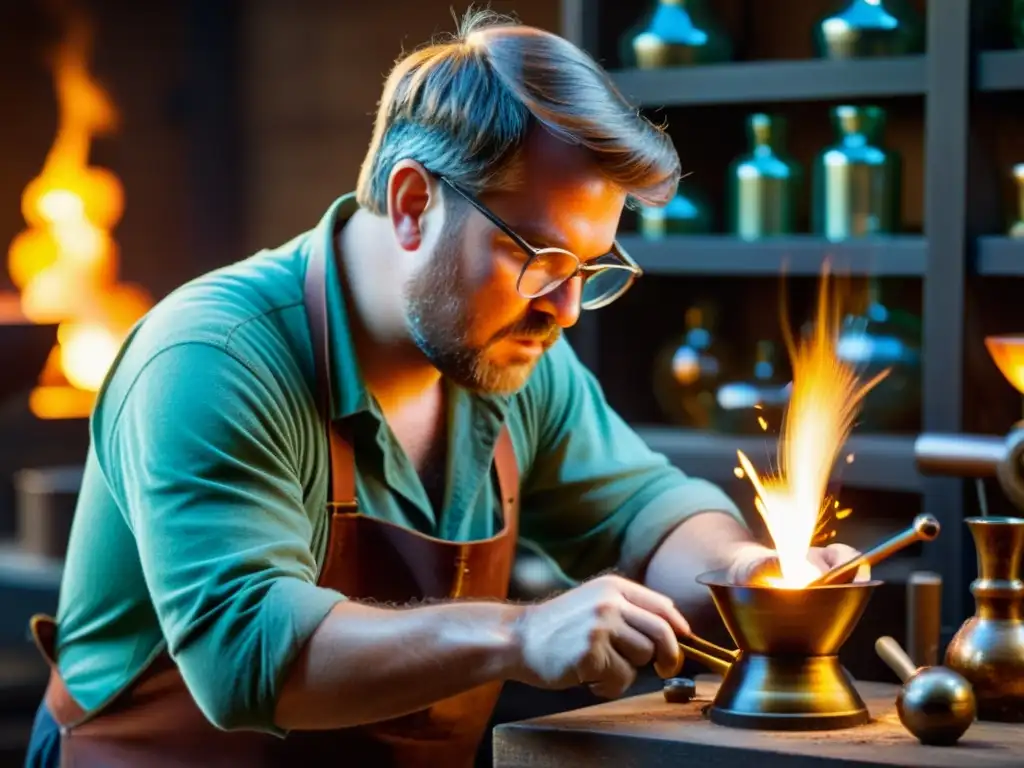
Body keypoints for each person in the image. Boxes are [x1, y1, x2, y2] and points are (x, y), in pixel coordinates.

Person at [24, 10, 862, 768]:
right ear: (415, 202)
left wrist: (751, 572)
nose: (565, 309)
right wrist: (521, 634)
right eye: (539, 258)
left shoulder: (510, 353)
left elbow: (649, 512)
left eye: (592, 267)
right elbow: (247, 657)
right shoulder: (213, 356)